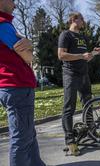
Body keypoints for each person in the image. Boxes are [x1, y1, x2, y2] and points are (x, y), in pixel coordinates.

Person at [0, 0, 46, 166]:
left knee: (28, 134)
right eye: (12, 0)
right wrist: (29, 46)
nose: (15, 5)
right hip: (16, 86)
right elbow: (28, 57)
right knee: (21, 138)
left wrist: (28, 44)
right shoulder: (2, 24)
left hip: (13, 87)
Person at [58, 12, 100, 156]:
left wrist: (93, 54)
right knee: (69, 107)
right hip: (70, 75)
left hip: (84, 74)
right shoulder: (66, 35)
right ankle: (70, 141)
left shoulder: (83, 37)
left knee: (88, 104)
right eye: (82, 19)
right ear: (74, 20)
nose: (84, 21)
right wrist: (80, 56)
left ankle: (91, 132)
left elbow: (85, 58)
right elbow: (61, 55)